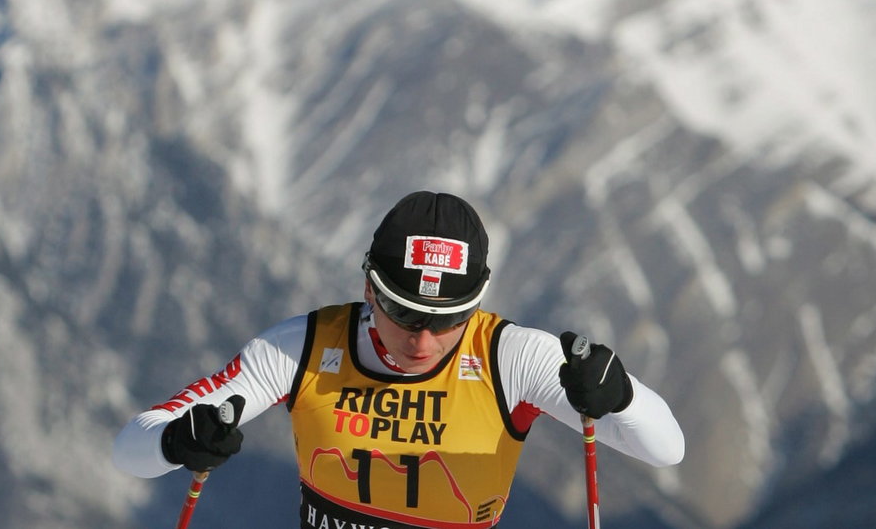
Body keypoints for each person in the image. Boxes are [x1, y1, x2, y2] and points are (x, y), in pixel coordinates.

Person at [113, 191, 684, 528]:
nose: (424, 340)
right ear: (370, 289)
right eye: (405, 313)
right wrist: (176, 442)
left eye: (448, 320)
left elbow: (665, 449)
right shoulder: (305, 347)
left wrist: (620, 395)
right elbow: (130, 448)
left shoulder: (513, 358)